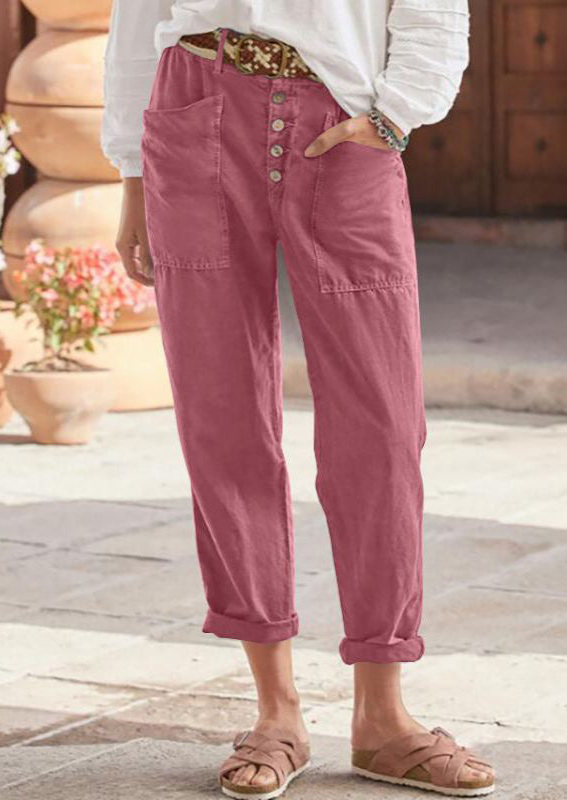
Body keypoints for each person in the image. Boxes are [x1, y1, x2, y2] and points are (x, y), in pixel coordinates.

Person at [101, 2, 495, 797]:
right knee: (222, 413)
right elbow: (138, 12)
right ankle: (275, 711)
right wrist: (132, 171)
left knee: (383, 425)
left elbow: (433, 10)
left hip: (346, 123)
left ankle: (383, 718)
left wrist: (396, 113)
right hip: (194, 108)